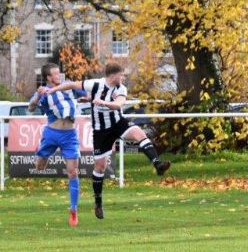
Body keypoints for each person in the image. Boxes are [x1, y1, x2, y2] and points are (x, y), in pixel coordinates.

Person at [46, 63, 171, 219]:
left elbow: (118, 104)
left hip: (118, 124)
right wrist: (52, 90)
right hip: (101, 131)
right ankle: (98, 203)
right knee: (100, 167)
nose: (123, 77)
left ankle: (157, 163)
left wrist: (103, 103)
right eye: (121, 75)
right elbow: (71, 84)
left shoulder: (121, 89)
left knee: (139, 133)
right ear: (113, 76)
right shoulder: (95, 84)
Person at [28, 63, 83, 226]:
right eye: (56, 74)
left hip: (70, 136)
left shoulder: (68, 86)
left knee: (73, 173)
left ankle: (73, 210)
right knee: (39, 167)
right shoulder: (44, 93)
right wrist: (38, 96)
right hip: (51, 134)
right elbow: (30, 107)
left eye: (59, 73)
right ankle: (40, 150)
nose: (59, 76)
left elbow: (85, 90)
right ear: (48, 78)